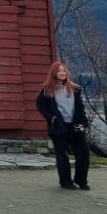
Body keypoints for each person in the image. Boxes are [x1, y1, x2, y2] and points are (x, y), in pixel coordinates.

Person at [35, 61, 90, 190]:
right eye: (59, 71)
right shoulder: (47, 90)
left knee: (83, 154)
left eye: (64, 70)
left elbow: (80, 107)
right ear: (54, 73)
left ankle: (81, 181)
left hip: (75, 126)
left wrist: (84, 121)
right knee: (62, 155)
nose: (62, 73)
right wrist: (51, 118)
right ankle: (66, 182)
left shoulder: (75, 89)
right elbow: (40, 104)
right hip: (59, 126)